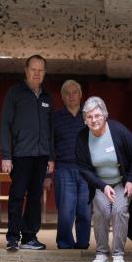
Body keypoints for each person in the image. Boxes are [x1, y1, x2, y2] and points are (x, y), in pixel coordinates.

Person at [75, 97, 132, 262]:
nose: (94, 120)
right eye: (89, 117)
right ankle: (102, 253)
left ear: (105, 115)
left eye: (97, 115)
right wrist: (103, 186)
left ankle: (118, 254)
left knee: (119, 210)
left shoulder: (118, 130)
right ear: (85, 120)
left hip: (121, 181)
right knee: (101, 212)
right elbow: (83, 168)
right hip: (100, 184)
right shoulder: (82, 138)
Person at [0, 55, 54, 251]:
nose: (37, 73)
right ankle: (13, 237)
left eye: (41, 70)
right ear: (26, 70)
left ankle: (30, 237)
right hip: (21, 155)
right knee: (17, 195)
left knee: (35, 197)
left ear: (44, 73)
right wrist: (6, 155)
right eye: (33, 69)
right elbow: (5, 124)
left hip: (41, 156)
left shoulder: (47, 97)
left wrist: (51, 157)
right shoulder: (15, 93)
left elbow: (50, 130)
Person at [52, 79, 91, 250]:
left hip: (86, 170)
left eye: (74, 92)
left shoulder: (90, 116)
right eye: (67, 93)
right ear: (62, 96)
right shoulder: (55, 117)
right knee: (66, 212)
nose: (71, 96)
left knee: (84, 211)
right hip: (63, 169)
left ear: (81, 95)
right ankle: (65, 244)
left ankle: (82, 244)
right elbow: (50, 144)